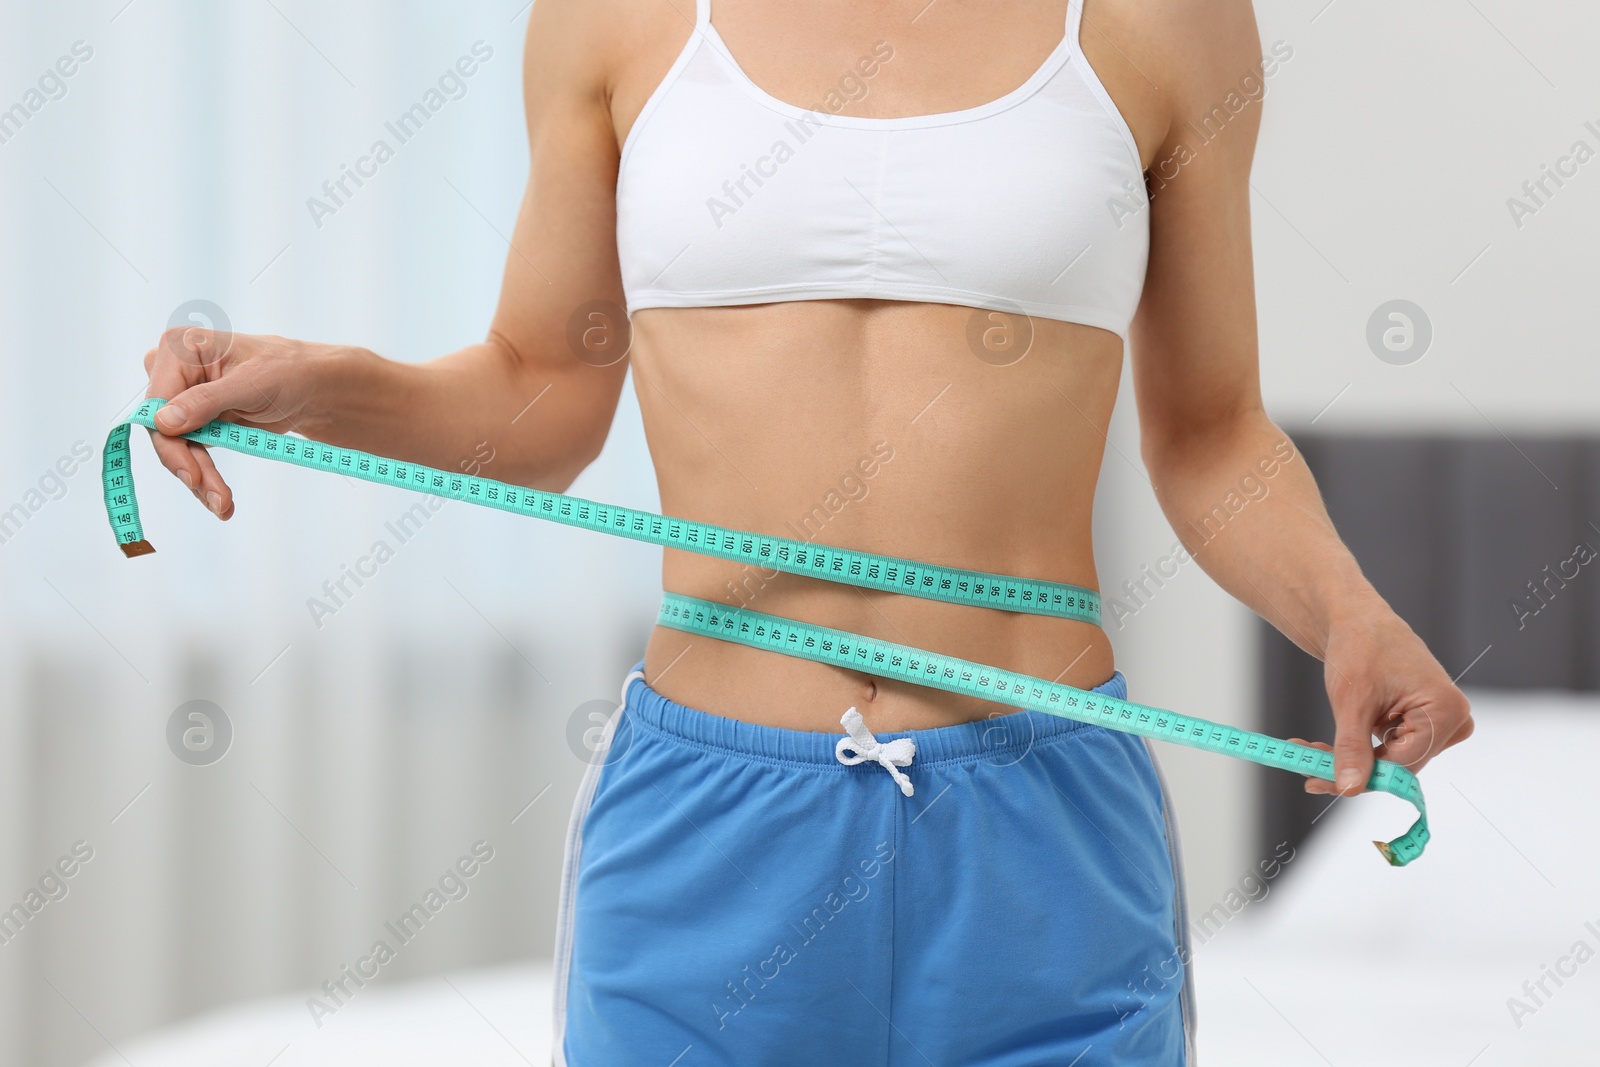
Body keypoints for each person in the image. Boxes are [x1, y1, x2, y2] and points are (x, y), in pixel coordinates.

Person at [138, 0, 1474, 1062]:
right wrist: (315, 386)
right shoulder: (616, 15)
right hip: (708, 820)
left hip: (1042, 828)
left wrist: (1346, 611)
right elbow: (538, 395)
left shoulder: (1162, 18)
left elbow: (1208, 433)